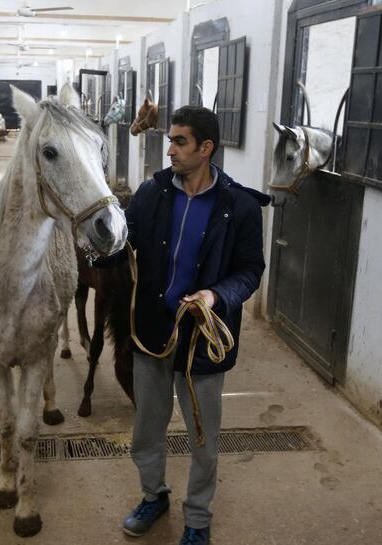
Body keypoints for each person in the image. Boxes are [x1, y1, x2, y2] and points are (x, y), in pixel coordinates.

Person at [111, 106, 269, 544]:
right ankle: (153, 495)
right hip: (153, 330)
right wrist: (99, 238)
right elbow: (124, 243)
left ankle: (198, 518)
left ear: (206, 148)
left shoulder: (239, 206)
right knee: (147, 428)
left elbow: (250, 270)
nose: (170, 150)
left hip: (202, 335)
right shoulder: (152, 193)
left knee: (202, 436)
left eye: (180, 142)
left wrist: (215, 296)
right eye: (171, 140)